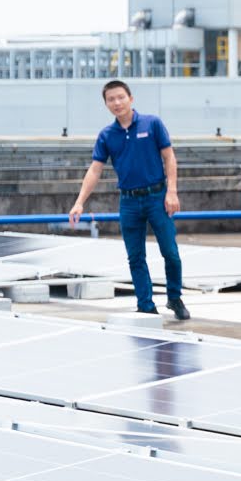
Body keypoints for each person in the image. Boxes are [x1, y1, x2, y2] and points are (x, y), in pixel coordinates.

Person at [68, 80, 188, 322]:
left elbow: (169, 157)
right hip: (129, 202)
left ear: (130, 98)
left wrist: (172, 191)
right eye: (111, 99)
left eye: (120, 97)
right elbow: (95, 170)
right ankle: (146, 305)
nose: (117, 103)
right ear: (106, 104)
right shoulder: (107, 135)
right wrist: (80, 201)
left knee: (170, 252)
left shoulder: (152, 123)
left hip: (157, 197)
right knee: (135, 256)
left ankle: (174, 297)